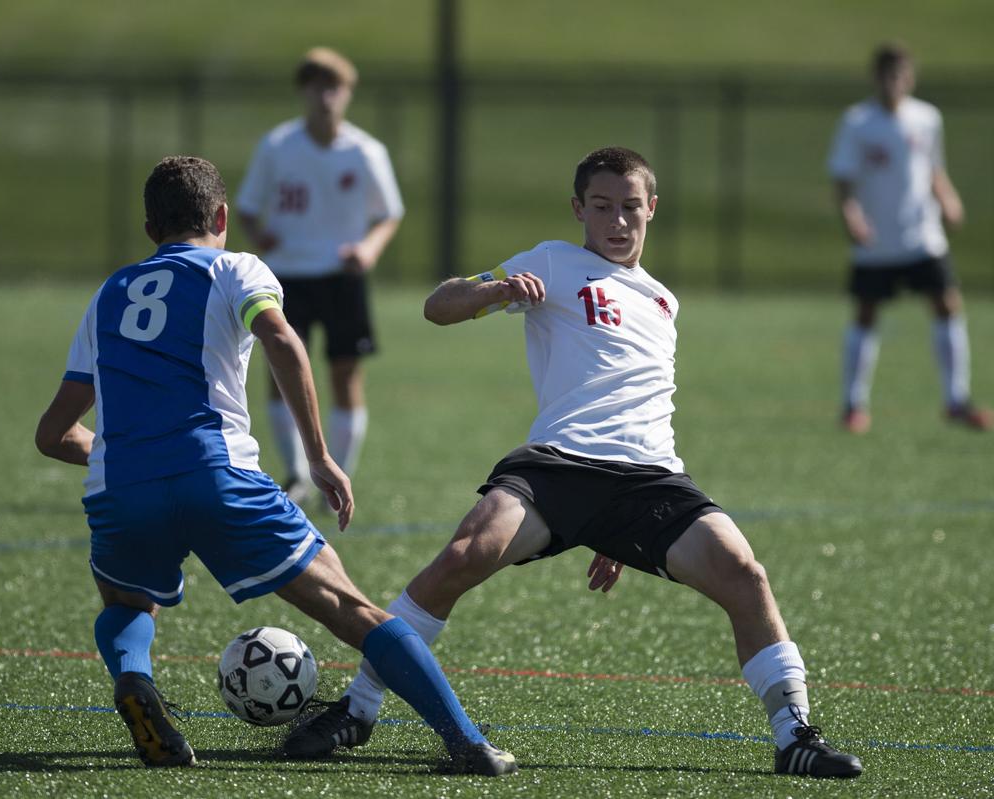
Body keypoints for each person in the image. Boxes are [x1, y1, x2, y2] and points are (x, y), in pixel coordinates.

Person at [283, 147, 864, 779]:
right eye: (602, 207)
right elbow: (438, 304)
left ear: (652, 210)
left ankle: (794, 735)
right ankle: (359, 707)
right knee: (462, 557)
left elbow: (648, 407)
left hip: (648, 480)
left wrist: (613, 530)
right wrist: (497, 289)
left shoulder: (666, 304)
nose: (617, 222)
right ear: (578, 210)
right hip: (556, 465)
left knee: (746, 575)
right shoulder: (554, 263)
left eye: (630, 207)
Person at [34, 156, 514, 776]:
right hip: (216, 473)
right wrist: (318, 456)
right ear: (223, 218)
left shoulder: (109, 294)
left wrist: (119, 454)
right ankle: (467, 742)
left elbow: (53, 434)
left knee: (127, 603)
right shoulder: (237, 268)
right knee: (351, 609)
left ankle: (133, 678)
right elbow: (283, 340)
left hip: (121, 485)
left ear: (150, 227)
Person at [236, 47, 404, 501]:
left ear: (347, 93)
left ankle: (338, 475)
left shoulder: (366, 151)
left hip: (341, 276)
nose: (325, 96)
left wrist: (367, 249)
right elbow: (248, 208)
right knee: (281, 370)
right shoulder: (277, 146)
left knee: (344, 373)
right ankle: (295, 474)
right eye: (316, 86)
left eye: (334, 86)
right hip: (285, 277)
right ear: (303, 92)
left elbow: (389, 213)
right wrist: (262, 235)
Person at [828, 43, 990, 433]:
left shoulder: (926, 118)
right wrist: (852, 218)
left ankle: (956, 400)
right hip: (877, 240)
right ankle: (854, 405)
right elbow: (843, 179)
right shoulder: (858, 122)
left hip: (922, 236)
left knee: (948, 305)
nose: (893, 83)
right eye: (886, 75)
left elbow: (932, 168)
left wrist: (948, 200)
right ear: (876, 78)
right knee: (866, 314)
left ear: (910, 78)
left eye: (900, 75)